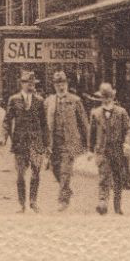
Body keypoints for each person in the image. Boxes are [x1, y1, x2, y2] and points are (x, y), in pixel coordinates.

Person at [44, 71, 90, 211]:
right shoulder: (49, 102)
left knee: (65, 171)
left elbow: (84, 123)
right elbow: (43, 123)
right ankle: (67, 190)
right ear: (54, 86)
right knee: (55, 168)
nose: (61, 86)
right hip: (54, 143)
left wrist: (89, 143)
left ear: (67, 84)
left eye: (63, 83)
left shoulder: (75, 100)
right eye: (58, 84)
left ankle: (63, 200)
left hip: (69, 142)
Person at [5, 71, 48, 213]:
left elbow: (44, 124)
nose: (29, 85)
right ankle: (21, 204)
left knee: (36, 173)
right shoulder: (14, 100)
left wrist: (47, 145)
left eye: (32, 82)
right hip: (20, 143)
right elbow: (7, 121)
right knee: (20, 175)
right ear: (21, 83)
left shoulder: (40, 101)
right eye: (26, 82)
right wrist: (5, 136)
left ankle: (33, 201)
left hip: (36, 143)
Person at [88, 83, 130, 216]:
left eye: (109, 97)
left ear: (113, 97)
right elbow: (92, 133)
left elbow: (129, 130)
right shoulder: (95, 114)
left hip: (118, 150)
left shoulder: (121, 112)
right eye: (104, 97)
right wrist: (90, 150)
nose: (107, 100)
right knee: (103, 176)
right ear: (100, 98)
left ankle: (117, 205)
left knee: (118, 178)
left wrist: (127, 143)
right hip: (102, 151)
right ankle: (102, 203)